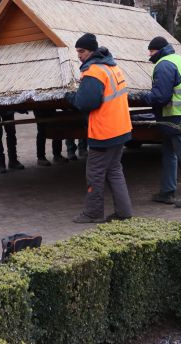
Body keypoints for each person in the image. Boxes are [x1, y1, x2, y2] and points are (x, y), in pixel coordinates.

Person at [65, 33, 134, 223]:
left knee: (94, 174)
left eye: (82, 51)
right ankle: (124, 212)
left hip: (104, 132)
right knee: (114, 171)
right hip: (120, 129)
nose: (79, 55)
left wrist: (70, 96)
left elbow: (87, 102)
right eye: (77, 51)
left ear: (92, 51)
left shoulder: (94, 72)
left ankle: (93, 213)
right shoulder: (112, 67)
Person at [140, 36, 181, 208]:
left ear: (158, 50)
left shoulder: (163, 65)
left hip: (175, 118)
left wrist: (144, 97)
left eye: (151, 51)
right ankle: (167, 192)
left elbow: (160, 96)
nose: (149, 54)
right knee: (170, 154)